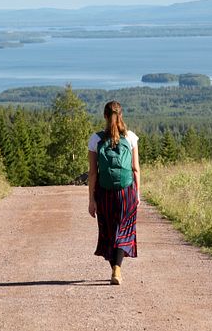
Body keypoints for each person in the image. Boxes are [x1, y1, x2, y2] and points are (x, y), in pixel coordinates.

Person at [87, 100, 140, 285]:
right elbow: (135, 169)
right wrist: (137, 194)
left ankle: (115, 269)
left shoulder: (95, 139)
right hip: (126, 192)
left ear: (104, 116)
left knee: (108, 232)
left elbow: (93, 173)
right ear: (121, 115)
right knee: (124, 230)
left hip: (104, 192)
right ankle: (117, 269)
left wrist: (91, 200)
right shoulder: (131, 137)